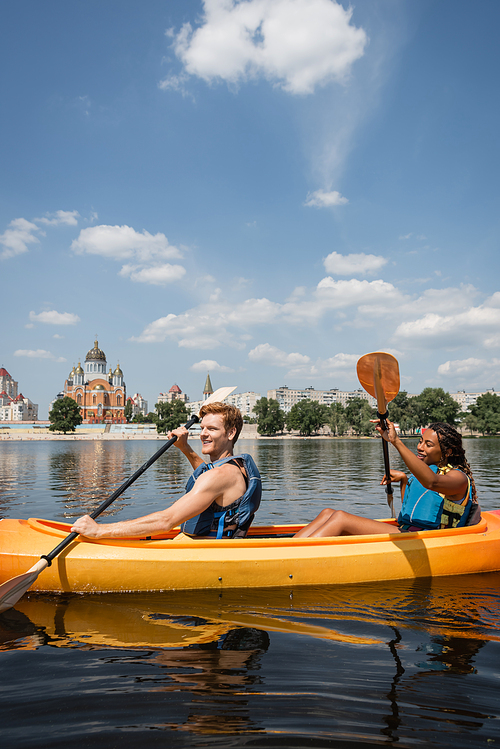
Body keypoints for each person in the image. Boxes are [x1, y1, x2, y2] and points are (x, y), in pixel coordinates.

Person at [71, 402, 261, 540]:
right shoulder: (234, 468)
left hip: (205, 553)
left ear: (230, 433)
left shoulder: (220, 476)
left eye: (212, 429)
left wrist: (100, 531)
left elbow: (166, 521)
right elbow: (207, 474)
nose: (203, 433)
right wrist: (185, 448)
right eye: (202, 428)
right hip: (200, 545)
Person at [294, 420, 479, 538]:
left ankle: (295, 557)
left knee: (341, 518)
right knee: (328, 513)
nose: (420, 447)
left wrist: (396, 441)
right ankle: (287, 549)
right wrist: (405, 480)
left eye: (428, 444)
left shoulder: (458, 478)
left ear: (447, 452)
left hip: (430, 540)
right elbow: (413, 509)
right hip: (410, 532)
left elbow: (432, 483)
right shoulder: (429, 471)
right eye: (420, 441)